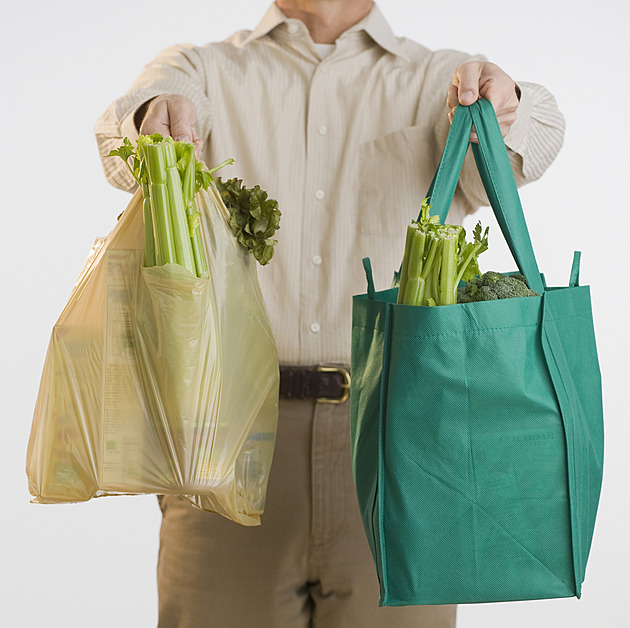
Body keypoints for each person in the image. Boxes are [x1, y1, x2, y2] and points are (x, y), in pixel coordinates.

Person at [95, 1, 565, 626]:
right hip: (225, 436)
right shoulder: (203, 68)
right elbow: (138, 115)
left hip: (400, 440)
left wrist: (503, 104)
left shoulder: (442, 80)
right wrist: (155, 116)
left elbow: (533, 140)